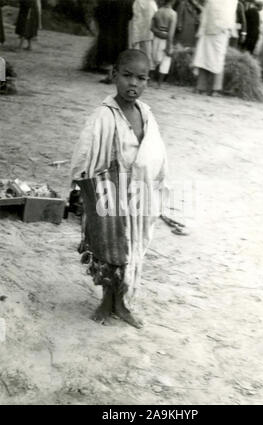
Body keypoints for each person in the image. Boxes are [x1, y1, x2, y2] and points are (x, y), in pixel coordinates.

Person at [70, 50, 168, 328]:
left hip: (139, 195)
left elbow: (157, 152)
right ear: (114, 74)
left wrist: (155, 184)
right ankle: (106, 300)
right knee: (108, 248)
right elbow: (86, 154)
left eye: (141, 78)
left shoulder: (146, 114)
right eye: (127, 76)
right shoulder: (104, 115)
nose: (133, 84)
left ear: (148, 81)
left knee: (132, 249)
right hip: (109, 195)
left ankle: (122, 303)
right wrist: (87, 190)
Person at [193, 0, 238, 96]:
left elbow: (204, 16)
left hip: (208, 32)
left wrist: (201, 31)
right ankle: (215, 89)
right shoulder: (231, 2)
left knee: (204, 58)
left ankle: (201, 88)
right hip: (220, 34)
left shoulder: (211, 1)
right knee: (218, 60)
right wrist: (230, 31)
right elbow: (230, 19)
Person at [151, 0, 177, 86]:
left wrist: (158, 33)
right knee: (166, 60)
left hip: (156, 37)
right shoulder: (173, 14)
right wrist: (169, 46)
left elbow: (151, 27)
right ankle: (159, 83)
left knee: (154, 59)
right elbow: (171, 33)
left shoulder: (158, 11)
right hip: (166, 38)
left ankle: (150, 80)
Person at [130, 0, 158, 70]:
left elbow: (135, 18)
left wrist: (134, 35)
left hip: (139, 32)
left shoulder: (138, 2)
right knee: (147, 54)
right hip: (149, 32)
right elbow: (156, 15)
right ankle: (147, 72)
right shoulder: (152, 3)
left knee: (136, 54)